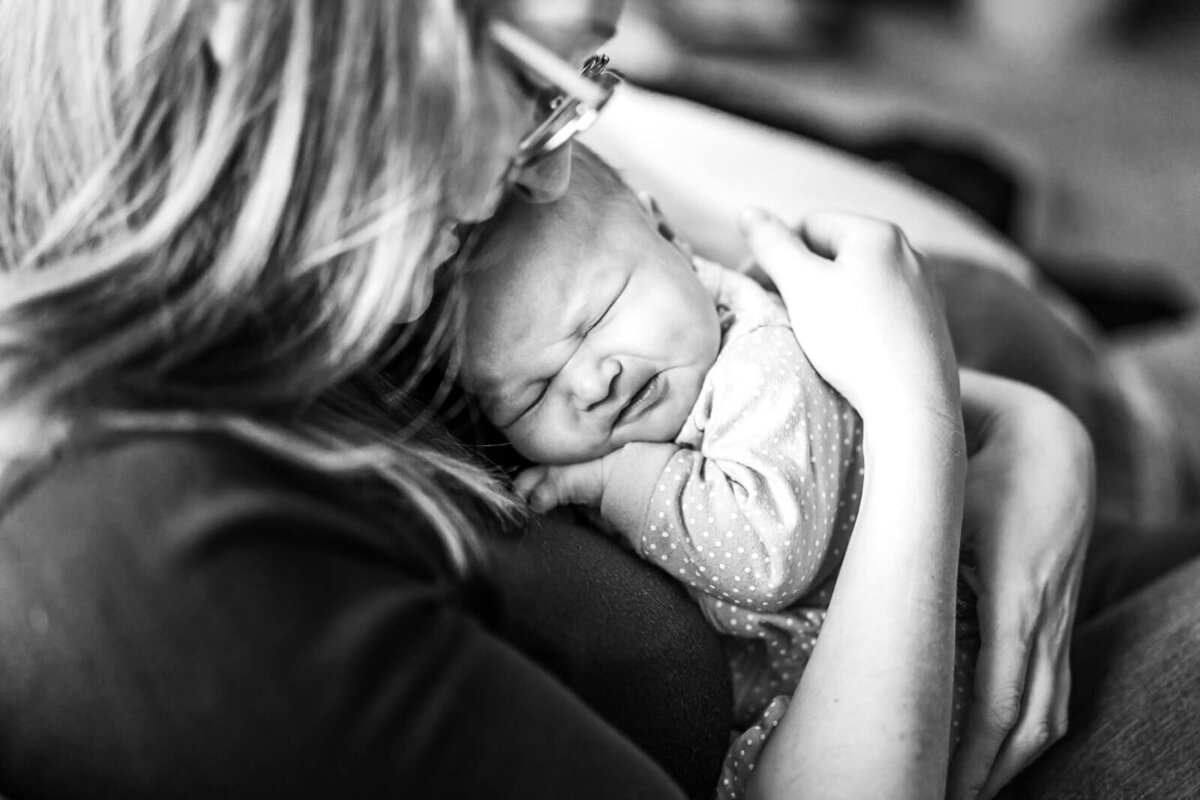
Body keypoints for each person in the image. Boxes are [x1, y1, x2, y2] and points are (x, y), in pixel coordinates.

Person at [0, 2, 1190, 799]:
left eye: (593, 73)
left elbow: (770, 337)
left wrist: (1026, 429)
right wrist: (925, 433)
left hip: (1011, 545)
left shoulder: (335, 254)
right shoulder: (153, 568)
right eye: (537, 80)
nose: (555, 155)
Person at [457, 145, 987, 795]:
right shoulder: (666, 363)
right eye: (533, 394)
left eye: (599, 316)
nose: (593, 380)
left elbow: (766, 554)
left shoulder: (763, 360)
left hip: (926, 688)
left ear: (668, 235)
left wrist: (615, 481)